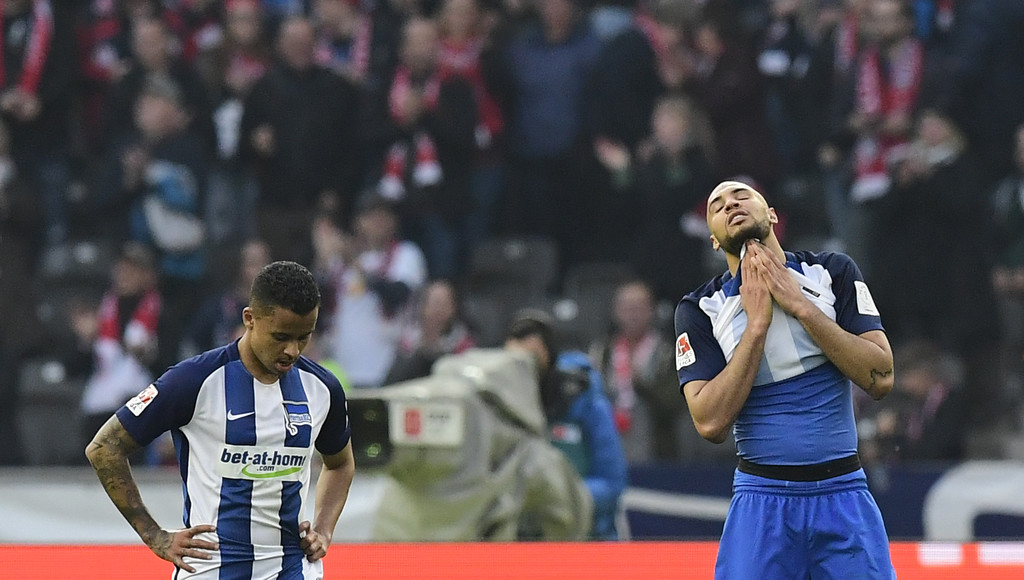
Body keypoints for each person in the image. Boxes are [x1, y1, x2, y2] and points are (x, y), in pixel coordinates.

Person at [674, 180, 895, 578]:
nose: (731, 205)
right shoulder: (700, 309)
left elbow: (880, 376)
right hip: (762, 504)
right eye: (717, 206)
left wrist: (801, 307)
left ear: (772, 215)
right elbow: (709, 423)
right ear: (713, 240)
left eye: (742, 196)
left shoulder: (832, 272)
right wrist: (756, 327)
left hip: (843, 494)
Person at [85, 260, 355, 579]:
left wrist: (323, 529)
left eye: (303, 337)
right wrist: (154, 535)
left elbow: (340, 464)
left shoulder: (323, 388)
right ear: (249, 319)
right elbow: (104, 448)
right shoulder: (193, 380)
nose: (292, 351)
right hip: (211, 569)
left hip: (293, 569)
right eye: (280, 337)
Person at [506, 311, 627, 541]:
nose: (525, 369)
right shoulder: (499, 407)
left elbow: (612, 484)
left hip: (586, 539)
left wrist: (557, 499)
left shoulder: (585, 399)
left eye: (533, 358)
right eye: (515, 361)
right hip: (519, 542)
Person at [314, 190, 427, 388]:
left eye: (384, 216)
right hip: (342, 369)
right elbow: (316, 300)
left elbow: (397, 295)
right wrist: (322, 260)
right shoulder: (340, 261)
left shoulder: (406, 254)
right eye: (372, 216)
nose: (378, 222)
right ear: (359, 222)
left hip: (388, 368)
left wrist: (354, 264)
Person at [384, 278, 477, 384]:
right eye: (435, 303)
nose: (438, 310)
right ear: (423, 306)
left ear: (453, 308)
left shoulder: (462, 344)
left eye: (443, 304)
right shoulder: (408, 343)